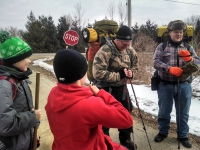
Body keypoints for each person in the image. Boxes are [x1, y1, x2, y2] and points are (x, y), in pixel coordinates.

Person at [45, 49, 133, 150]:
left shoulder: (53, 93)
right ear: (82, 74)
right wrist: (102, 94)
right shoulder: (90, 104)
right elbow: (127, 120)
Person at [153, 20, 200, 148]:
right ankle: (163, 132)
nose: (179, 34)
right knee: (164, 111)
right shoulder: (162, 47)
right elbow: (155, 62)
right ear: (170, 33)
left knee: (183, 112)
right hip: (165, 84)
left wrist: (190, 59)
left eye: (180, 32)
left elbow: (198, 62)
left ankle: (183, 135)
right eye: (176, 32)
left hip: (184, 85)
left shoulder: (188, 47)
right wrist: (169, 68)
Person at [92, 25, 138, 150]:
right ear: (117, 40)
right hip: (104, 88)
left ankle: (126, 139)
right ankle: (105, 141)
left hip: (121, 88)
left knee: (125, 113)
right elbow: (97, 73)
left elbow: (135, 66)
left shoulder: (130, 51)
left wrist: (131, 73)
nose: (127, 46)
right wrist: (119, 75)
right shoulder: (105, 51)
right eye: (124, 44)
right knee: (104, 115)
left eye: (129, 43)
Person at [0, 30, 41, 150]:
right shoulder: (4, 85)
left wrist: (33, 132)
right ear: (15, 60)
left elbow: (25, 109)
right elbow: (5, 125)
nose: (29, 61)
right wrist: (33, 117)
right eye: (26, 57)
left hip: (22, 141)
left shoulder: (19, 78)